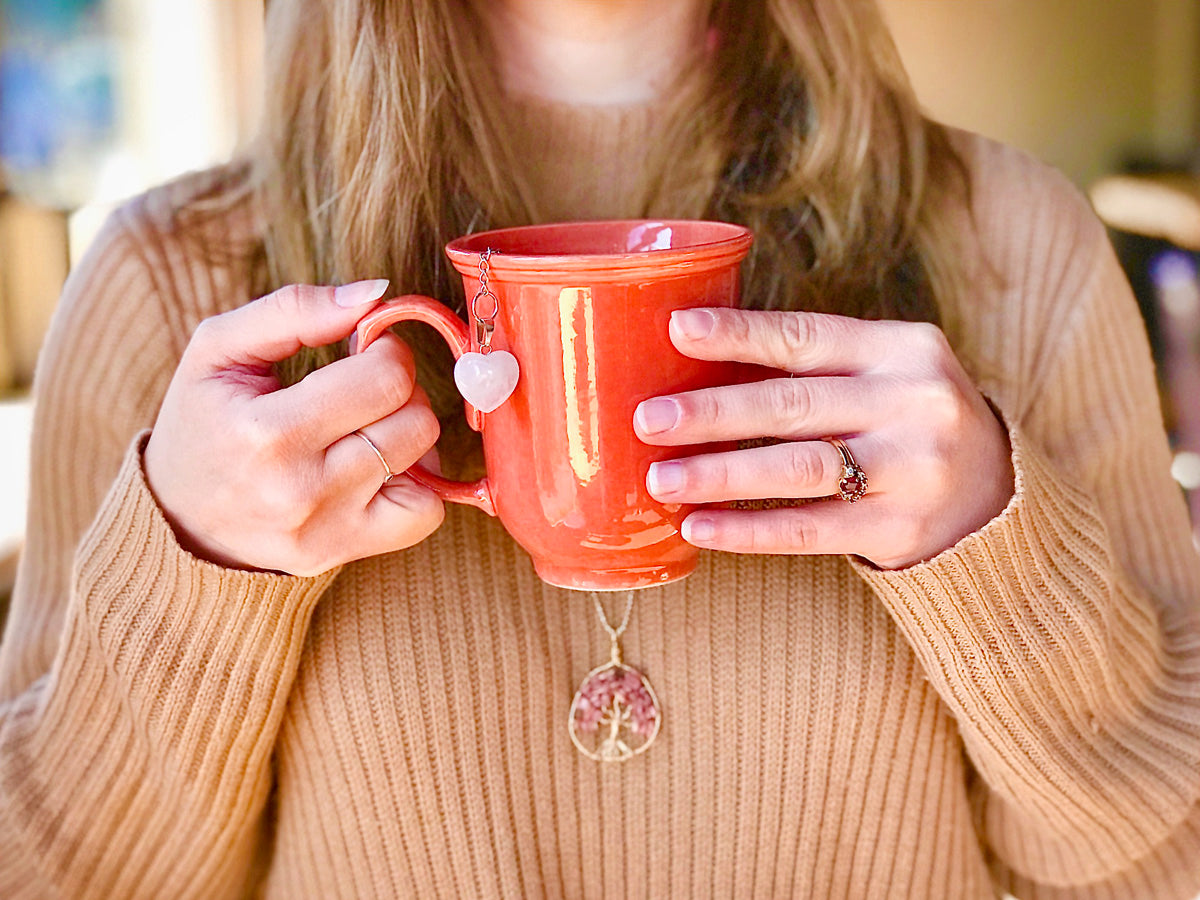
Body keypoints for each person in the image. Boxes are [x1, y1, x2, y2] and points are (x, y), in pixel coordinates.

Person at [2, 0, 1199, 896]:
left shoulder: (1017, 248)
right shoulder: (170, 286)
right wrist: (193, 569)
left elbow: (1160, 867)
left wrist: (1000, 552)